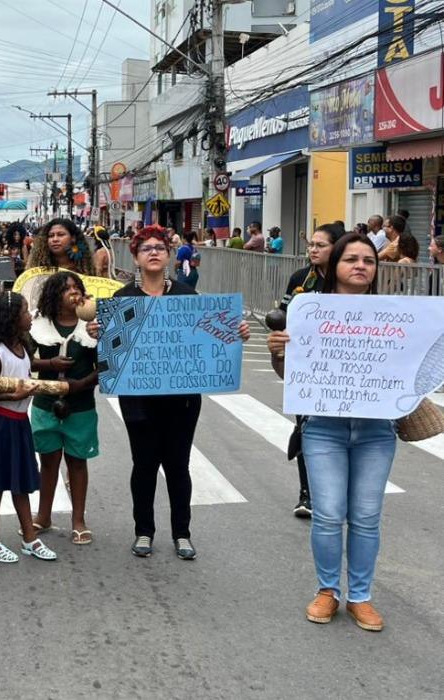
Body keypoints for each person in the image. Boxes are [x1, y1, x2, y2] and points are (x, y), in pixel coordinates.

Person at [267, 233, 396, 632]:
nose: (360, 266)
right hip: (323, 429)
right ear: (335, 265)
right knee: (327, 515)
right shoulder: (309, 313)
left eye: (369, 261)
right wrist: (278, 351)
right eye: (351, 259)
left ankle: (360, 596)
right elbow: (291, 377)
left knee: (366, 516)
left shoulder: (395, 316)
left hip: (376, 432)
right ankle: (327, 591)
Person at [117, 225, 251, 560]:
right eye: (145, 247)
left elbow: (209, 339)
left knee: (178, 465)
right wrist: (98, 332)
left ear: (170, 255)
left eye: (159, 247)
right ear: (135, 256)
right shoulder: (122, 300)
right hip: (138, 398)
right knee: (144, 464)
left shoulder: (187, 298)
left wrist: (236, 332)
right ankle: (143, 530)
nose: (153, 252)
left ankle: (182, 533)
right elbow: (112, 353)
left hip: (183, 399)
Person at [0, 291, 54, 564]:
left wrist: (51, 364)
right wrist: (12, 397)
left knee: (21, 484)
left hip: (19, 424)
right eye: (26, 312)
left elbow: (25, 369)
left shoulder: (23, 347)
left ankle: (29, 537)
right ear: (12, 319)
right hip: (1, 425)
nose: (31, 316)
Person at [279, 222, 346, 518]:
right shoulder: (299, 279)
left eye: (321, 245)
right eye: (311, 245)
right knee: (307, 429)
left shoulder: (346, 280)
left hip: (344, 369)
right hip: (307, 369)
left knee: (342, 432)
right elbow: (282, 314)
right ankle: (307, 493)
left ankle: (338, 492)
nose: (313, 250)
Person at [30, 271, 98, 545]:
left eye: (77, 287)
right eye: (66, 288)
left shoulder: (93, 327)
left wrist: (79, 384)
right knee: (48, 462)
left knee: (77, 463)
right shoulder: (38, 324)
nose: (73, 292)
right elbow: (22, 359)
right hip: (46, 404)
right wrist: (50, 365)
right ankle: (43, 516)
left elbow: (106, 365)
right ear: (53, 295)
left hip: (80, 406)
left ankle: (78, 520)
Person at [27, 217, 96, 277]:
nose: (55, 239)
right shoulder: (38, 269)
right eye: (51, 236)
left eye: (60, 235)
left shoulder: (85, 268)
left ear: (73, 238)